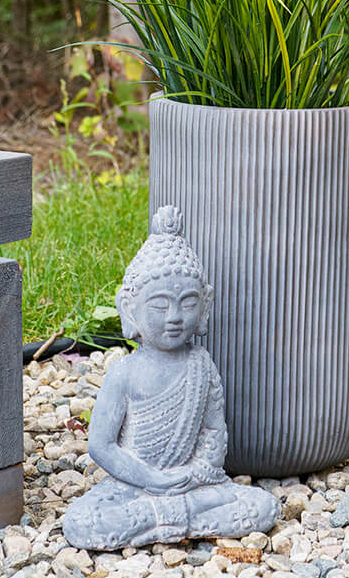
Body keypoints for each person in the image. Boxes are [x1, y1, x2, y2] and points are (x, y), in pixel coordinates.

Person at [63, 206, 279, 549]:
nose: (175, 317)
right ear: (129, 308)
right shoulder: (125, 373)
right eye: (160, 306)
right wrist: (151, 478)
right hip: (134, 486)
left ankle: (157, 521)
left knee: (263, 506)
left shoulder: (201, 367)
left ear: (205, 306)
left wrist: (193, 474)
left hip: (194, 486)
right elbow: (101, 447)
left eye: (188, 304)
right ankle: (176, 519)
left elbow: (212, 433)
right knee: (81, 523)